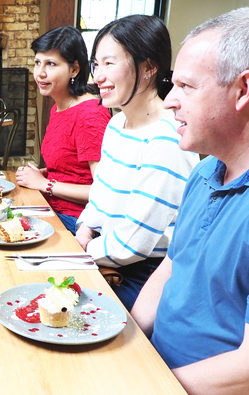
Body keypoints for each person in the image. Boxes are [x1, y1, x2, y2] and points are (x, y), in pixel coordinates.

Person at [45, 8, 249, 395]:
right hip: (174, 376)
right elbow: (171, 266)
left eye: (187, 87)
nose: (171, 100)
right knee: (59, 394)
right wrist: (123, 342)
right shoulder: (207, 173)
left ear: (243, 91)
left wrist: (144, 387)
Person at [75, 15, 198, 310]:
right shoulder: (117, 124)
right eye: (95, 65)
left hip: (142, 275)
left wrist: (79, 252)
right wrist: (84, 230)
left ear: (148, 67)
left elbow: (134, 243)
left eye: (109, 63)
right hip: (104, 251)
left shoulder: (167, 139)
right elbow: (100, 197)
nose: (96, 77)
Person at [16, 26, 111, 234]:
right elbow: (71, 169)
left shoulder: (90, 115)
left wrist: (45, 184)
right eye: (37, 62)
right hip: (52, 207)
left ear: (74, 69)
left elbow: (103, 191)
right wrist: (41, 174)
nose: (40, 73)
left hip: (76, 220)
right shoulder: (59, 107)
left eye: (51, 64)